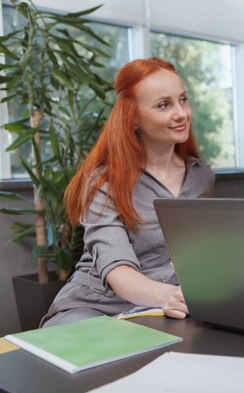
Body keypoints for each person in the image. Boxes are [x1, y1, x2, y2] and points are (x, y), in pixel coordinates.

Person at [41, 57, 214, 327]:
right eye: (164, 105)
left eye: (183, 99)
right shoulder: (103, 181)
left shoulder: (201, 177)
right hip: (96, 307)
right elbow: (118, 271)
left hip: (162, 309)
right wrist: (168, 295)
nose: (181, 113)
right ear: (133, 118)